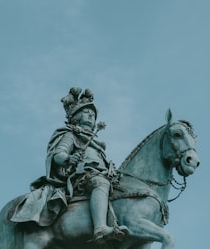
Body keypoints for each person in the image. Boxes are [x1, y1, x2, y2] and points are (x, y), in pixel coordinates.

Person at [11, 88, 126, 241]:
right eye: (86, 112)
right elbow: (58, 154)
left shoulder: (97, 143)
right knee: (100, 182)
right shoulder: (71, 134)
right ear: (77, 117)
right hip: (82, 177)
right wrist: (68, 159)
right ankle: (100, 228)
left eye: (93, 114)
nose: (91, 116)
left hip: (102, 174)